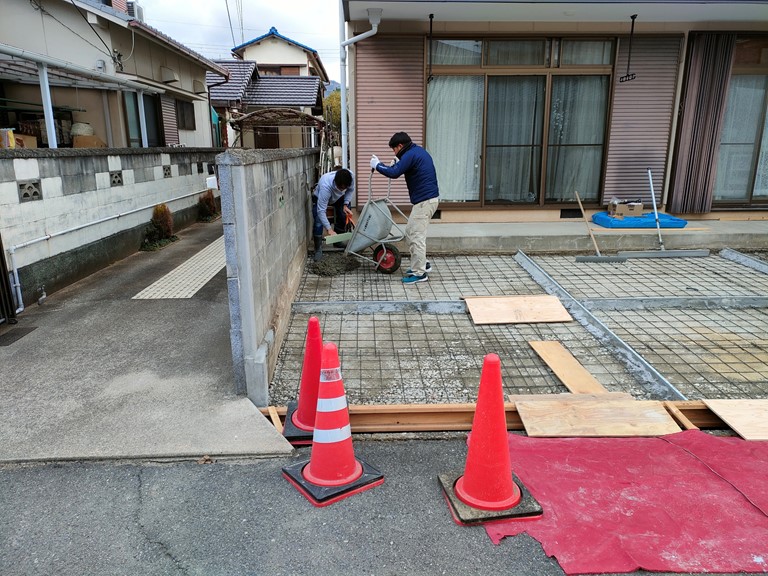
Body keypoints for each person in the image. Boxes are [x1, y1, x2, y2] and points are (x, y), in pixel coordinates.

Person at [371, 132, 439, 284]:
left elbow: (394, 173)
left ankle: (420, 273)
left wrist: (378, 165)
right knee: (410, 233)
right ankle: (423, 264)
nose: (394, 153)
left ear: (400, 146)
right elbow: (402, 166)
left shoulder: (410, 155)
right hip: (426, 200)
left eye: (394, 150)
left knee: (416, 236)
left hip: (425, 202)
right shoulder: (416, 151)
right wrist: (397, 162)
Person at [311, 168, 355, 261]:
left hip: (338, 198)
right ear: (335, 182)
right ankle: (318, 249)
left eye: (344, 188)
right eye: (341, 188)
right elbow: (321, 211)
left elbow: (350, 190)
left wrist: (345, 204)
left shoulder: (350, 177)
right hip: (320, 197)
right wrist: (329, 229)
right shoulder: (326, 186)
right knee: (318, 220)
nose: (343, 189)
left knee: (343, 214)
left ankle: (337, 241)